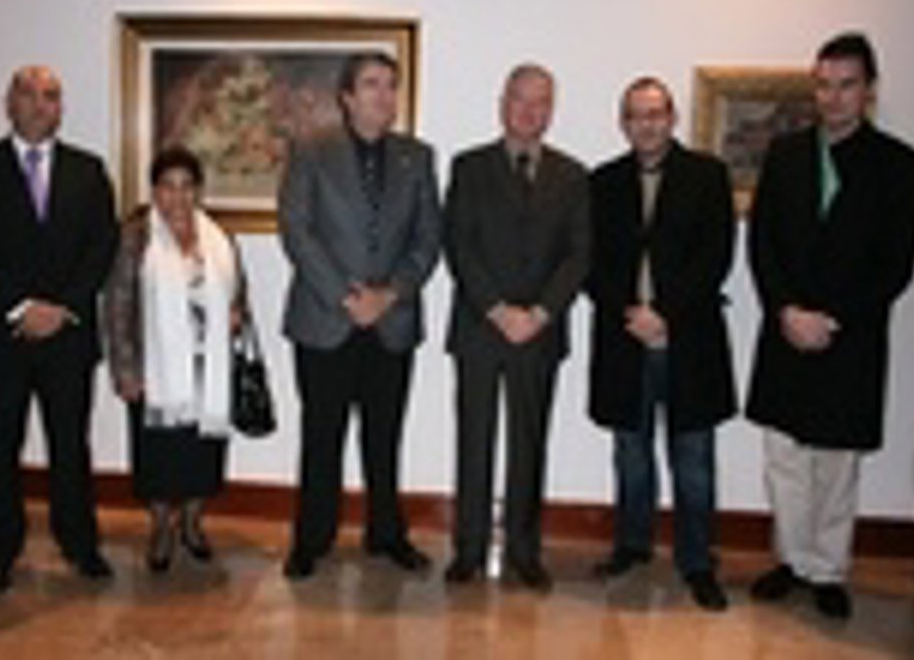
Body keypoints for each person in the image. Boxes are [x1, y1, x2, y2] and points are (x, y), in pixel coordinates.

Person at [746, 32, 914, 620]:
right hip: (786, 329)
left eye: (846, 85)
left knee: (835, 463)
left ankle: (827, 569)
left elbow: (895, 265)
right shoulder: (785, 154)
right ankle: (790, 560)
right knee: (785, 459)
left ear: (869, 89)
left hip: (850, 337)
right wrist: (786, 311)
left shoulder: (901, 165)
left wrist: (832, 319)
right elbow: (763, 244)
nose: (833, 97)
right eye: (823, 85)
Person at [0, 65, 118, 593]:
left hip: (68, 336)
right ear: (9, 104)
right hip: (1, 337)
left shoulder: (88, 171)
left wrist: (61, 307)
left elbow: (102, 247)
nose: (41, 104)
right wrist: (22, 306)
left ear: (60, 107)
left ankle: (80, 544)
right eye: (29, 94)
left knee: (71, 447)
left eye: (51, 96)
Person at [279, 51, 442, 580]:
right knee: (321, 437)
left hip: (391, 324)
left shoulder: (417, 157)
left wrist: (388, 295)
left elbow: (428, 240)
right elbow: (297, 231)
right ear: (347, 97)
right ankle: (311, 540)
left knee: (384, 437)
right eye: (371, 84)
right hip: (326, 319)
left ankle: (386, 534)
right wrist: (348, 298)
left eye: (391, 85)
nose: (384, 95)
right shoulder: (311, 150)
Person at [586, 77, 735, 611]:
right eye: (635, 115)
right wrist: (631, 314)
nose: (646, 124)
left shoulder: (707, 176)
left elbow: (715, 256)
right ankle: (632, 545)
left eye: (655, 114)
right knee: (631, 452)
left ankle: (697, 562)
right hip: (625, 338)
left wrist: (666, 313)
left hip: (688, 338)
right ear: (623, 124)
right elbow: (590, 262)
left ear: (672, 119)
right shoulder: (602, 182)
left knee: (693, 457)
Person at [442, 64, 590, 590]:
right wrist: (498, 310)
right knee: (474, 439)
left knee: (530, 442)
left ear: (552, 110)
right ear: (502, 103)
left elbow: (579, 255)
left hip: (541, 333)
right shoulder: (468, 167)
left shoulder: (572, 175)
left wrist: (541, 313)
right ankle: (469, 548)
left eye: (541, 101)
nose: (530, 111)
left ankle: (525, 550)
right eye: (521, 99)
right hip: (480, 328)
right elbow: (458, 245)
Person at [103, 146, 248, 573]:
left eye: (187, 186)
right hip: (155, 371)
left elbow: (240, 292)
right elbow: (117, 308)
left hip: (208, 370)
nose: (178, 196)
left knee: (202, 454)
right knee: (159, 457)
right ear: (154, 191)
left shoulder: (219, 238)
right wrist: (125, 370)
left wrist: (237, 312)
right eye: (168, 186)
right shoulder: (135, 238)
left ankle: (193, 522)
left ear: (198, 191)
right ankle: (162, 528)